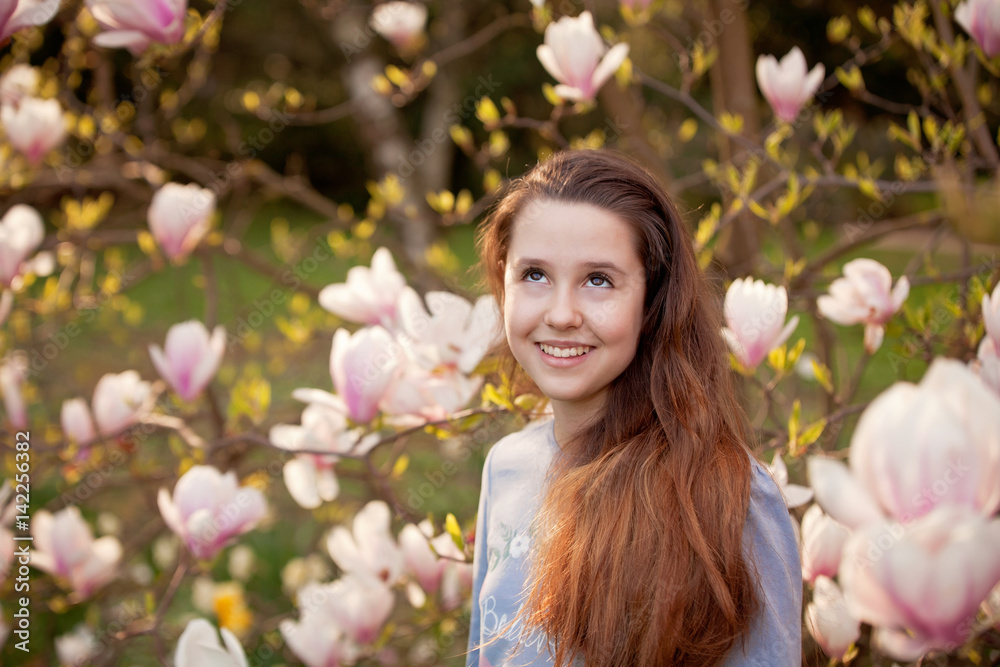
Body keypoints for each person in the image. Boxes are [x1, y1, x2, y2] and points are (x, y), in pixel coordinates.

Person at [465, 149, 801, 666]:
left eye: (598, 280)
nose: (561, 314)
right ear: (502, 281)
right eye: (534, 274)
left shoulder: (732, 501)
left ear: (653, 302)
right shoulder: (506, 467)